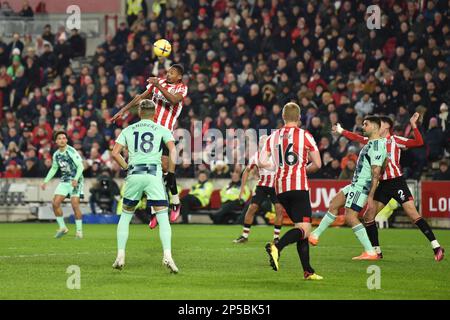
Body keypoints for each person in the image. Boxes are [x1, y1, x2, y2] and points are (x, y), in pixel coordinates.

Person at [310, 114, 445, 261]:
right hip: (382, 184)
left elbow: (419, 142)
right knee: (368, 216)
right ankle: (376, 251)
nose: (377, 126)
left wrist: (413, 124)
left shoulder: (395, 140)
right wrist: (341, 131)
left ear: (386, 126)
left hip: (396, 182)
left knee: (413, 214)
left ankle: (436, 246)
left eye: (380, 123)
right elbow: (356, 137)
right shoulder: (371, 141)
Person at [111, 64, 188, 226]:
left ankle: (175, 202)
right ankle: (155, 212)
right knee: (154, 173)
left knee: (168, 170)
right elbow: (141, 97)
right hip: (151, 133)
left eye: (172, 73)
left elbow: (173, 101)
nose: (168, 74)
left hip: (165, 133)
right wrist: (122, 111)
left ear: (179, 77)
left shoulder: (181, 88)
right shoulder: (158, 82)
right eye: (168, 72)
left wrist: (158, 85)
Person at [111, 99, 179, 273]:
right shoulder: (162, 129)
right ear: (155, 113)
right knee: (163, 217)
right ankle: (168, 255)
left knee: (126, 215)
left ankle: (120, 255)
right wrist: (170, 172)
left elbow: (115, 153)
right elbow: (172, 150)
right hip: (153, 175)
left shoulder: (128, 129)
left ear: (140, 113)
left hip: (134, 174)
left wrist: (126, 167)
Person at [259, 102, 323, 280]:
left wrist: (278, 166)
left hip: (280, 188)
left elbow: (262, 161)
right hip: (298, 186)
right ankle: (277, 247)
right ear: (300, 117)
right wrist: (302, 169)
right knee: (305, 230)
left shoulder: (273, 136)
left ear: (283, 117)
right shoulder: (305, 135)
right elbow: (318, 164)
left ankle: (308, 271)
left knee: (300, 228)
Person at [233, 135, 285, 244]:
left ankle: (276, 238)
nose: (263, 143)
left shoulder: (278, 155)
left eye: (265, 141)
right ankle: (244, 236)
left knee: (279, 209)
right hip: (262, 186)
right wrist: (242, 189)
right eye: (261, 141)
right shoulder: (256, 156)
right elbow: (246, 171)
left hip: (276, 186)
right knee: (252, 208)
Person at [40, 131, 85, 239]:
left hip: (76, 181)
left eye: (64, 138)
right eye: (59, 138)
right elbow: (54, 168)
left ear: (67, 140)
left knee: (75, 204)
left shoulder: (71, 151)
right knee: (55, 203)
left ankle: (79, 232)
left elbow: (81, 166)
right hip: (64, 181)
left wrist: (76, 179)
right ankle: (63, 228)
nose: (62, 140)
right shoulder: (56, 154)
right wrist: (45, 181)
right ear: (56, 141)